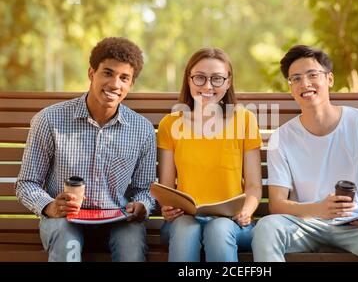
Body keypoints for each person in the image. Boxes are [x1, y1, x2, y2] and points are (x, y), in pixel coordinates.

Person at [252, 45, 358, 262]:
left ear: (329, 79)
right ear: (291, 88)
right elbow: (277, 204)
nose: (305, 83)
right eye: (296, 78)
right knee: (266, 228)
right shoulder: (282, 137)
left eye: (312, 75)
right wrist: (319, 209)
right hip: (305, 225)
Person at [15, 37, 156, 262]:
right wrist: (49, 206)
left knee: (131, 242)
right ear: (92, 73)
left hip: (118, 221)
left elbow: (145, 189)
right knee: (65, 240)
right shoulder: (50, 120)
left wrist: (142, 206)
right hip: (65, 221)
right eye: (107, 73)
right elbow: (27, 183)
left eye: (124, 78)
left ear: (131, 84)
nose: (114, 84)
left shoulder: (143, 130)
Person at [156, 47, 262, 262]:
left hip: (231, 222)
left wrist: (246, 211)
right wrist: (167, 208)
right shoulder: (171, 124)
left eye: (217, 79)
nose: (207, 86)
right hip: (185, 221)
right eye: (200, 78)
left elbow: (253, 186)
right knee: (187, 228)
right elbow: (167, 188)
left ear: (228, 82)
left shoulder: (245, 119)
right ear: (189, 80)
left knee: (219, 228)